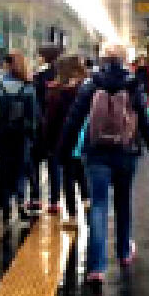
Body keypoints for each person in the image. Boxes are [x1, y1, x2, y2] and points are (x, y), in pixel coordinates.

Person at [59, 42, 149, 284]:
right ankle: (123, 252)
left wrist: (62, 154)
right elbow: (147, 126)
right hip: (125, 152)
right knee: (123, 202)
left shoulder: (90, 84)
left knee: (99, 205)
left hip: (96, 152)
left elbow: (73, 120)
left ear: (102, 58)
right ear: (123, 59)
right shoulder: (132, 85)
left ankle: (96, 267)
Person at [0, 50, 37, 225]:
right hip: (22, 136)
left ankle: (6, 208)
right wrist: (33, 135)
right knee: (20, 171)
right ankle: (21, 206)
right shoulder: (28, 87)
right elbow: (33, 115)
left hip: (2, 134)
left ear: (7, 65)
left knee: (5, 170)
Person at [44, 53, 91, 219]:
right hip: (84, 138)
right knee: (80, 171)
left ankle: (72, 213)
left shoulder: (56, 92)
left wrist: (49, 144)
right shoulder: (86, 88)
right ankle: (87, 203)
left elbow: (50, 121)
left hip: (64, 139)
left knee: (68, 176)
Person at [27, 45, 62, 214]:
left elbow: (34, 102)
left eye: (39, 55)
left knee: (35, 161)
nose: (38, 57)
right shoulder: (61, 76)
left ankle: (35, 198)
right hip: (56, 127)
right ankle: (54, 201)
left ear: (45, 57)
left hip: (39, 126)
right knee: (54, 164)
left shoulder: (38, 77)